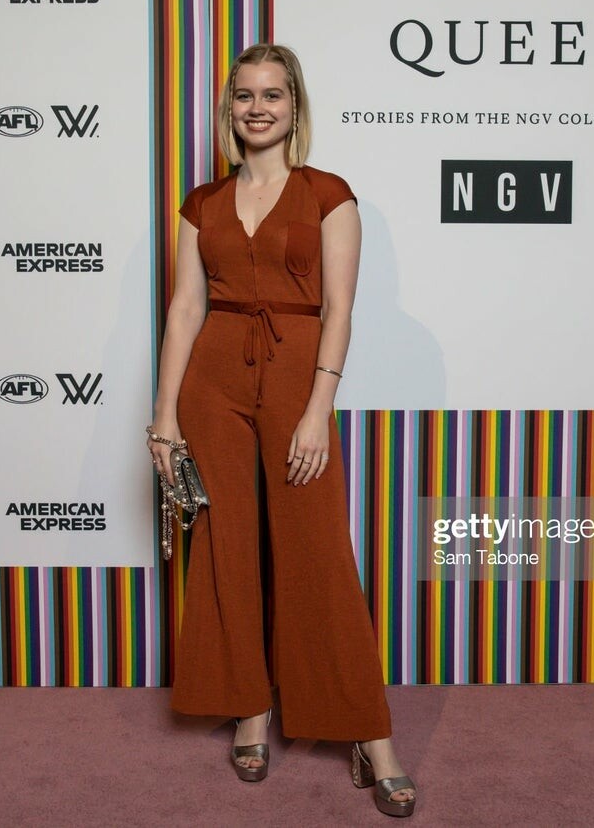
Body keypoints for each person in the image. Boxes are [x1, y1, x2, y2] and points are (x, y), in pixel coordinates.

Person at [146, 43, 416, 818]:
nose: (257, 108)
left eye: (272, 94)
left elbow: (340, 310)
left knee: (316, 551)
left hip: (299, 378)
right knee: (227, 549)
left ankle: (370, 734)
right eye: (244, 95)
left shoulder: (328, 194)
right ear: (228, 108)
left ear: (295, 106)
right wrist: (164, 416)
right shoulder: (201, 203)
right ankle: (250, 709)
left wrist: (318, 410)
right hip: (214, 383)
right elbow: (186, 308)